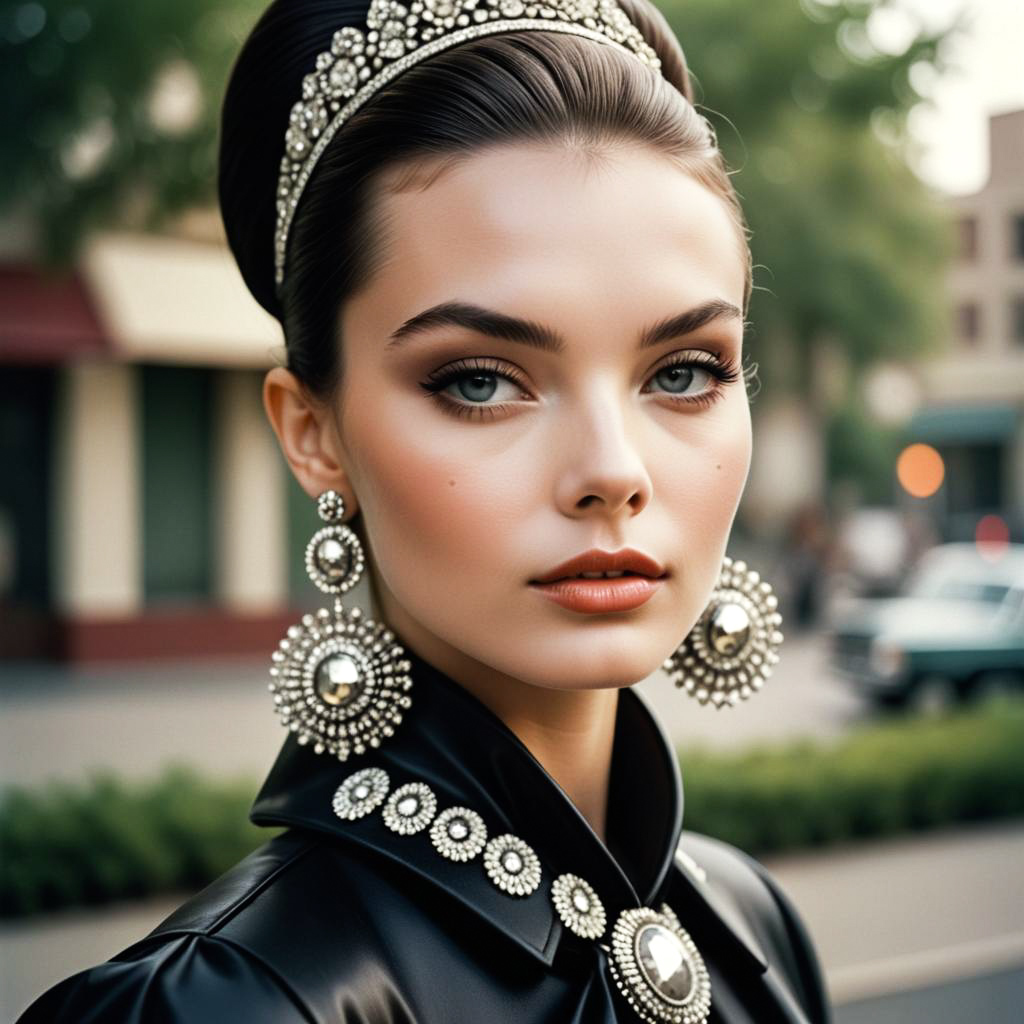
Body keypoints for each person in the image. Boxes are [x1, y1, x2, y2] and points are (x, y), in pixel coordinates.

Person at [18, 0, 832, 1020]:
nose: (611, 470)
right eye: (481, 381)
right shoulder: (217, 1004)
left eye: (682, 370)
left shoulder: (753, 928)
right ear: (312, 430)